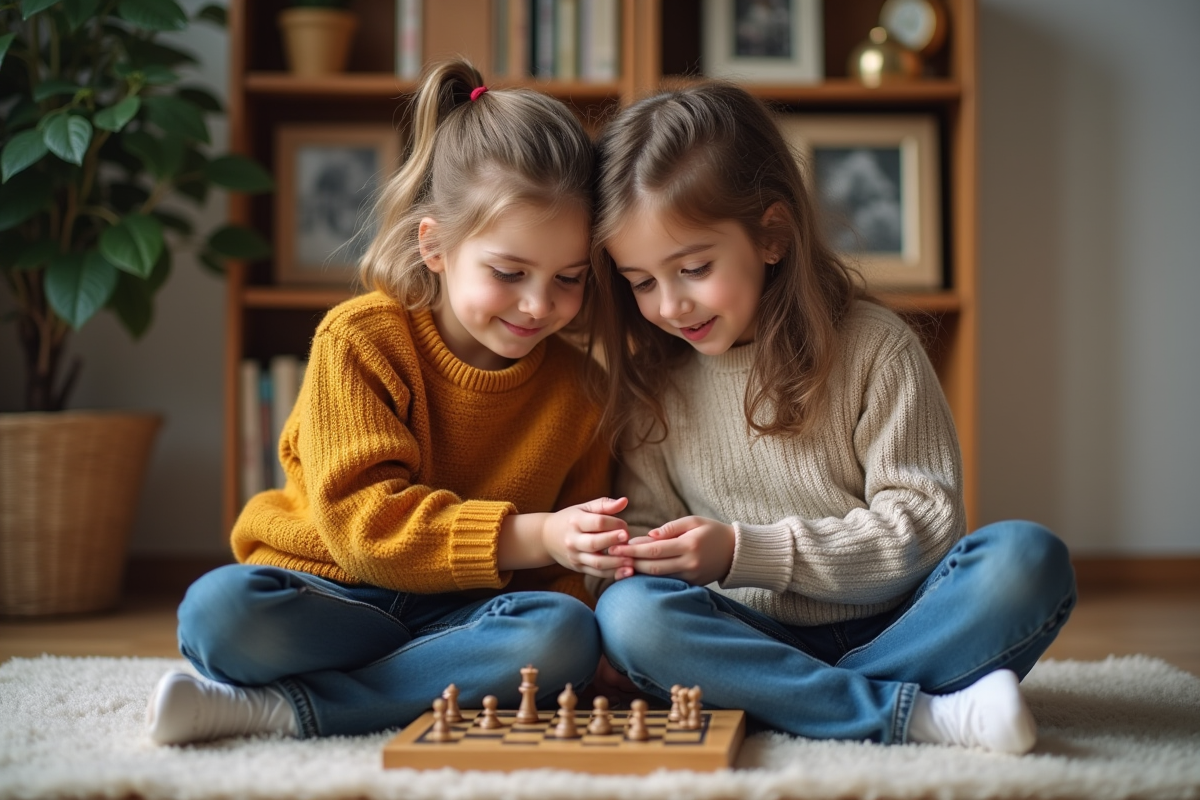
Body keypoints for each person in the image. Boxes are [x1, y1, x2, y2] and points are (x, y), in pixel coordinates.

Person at [145, 60, 631, 745]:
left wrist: (574, 593)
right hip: (336, 592)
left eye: (569, 278)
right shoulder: (361, 338)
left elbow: (563, 579)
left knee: (564, 635)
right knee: (218, 613)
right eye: (509, 272)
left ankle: (286, 708)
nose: (537, 304)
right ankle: (422, 680)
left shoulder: (582, 389)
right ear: (434, 245)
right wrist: (540, 531)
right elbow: (365, 529)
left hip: (464, 619)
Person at [587, 82, 1077, 754]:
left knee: (1026, 560)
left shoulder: (875, 348)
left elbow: (925, 526)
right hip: (753, 631)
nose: (670, 305)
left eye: (694, 268)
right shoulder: (656, 385)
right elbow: (643, 536)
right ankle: (921, 713)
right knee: (631, 616)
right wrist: (632, 558)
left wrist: (740, 550)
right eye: (641, 282)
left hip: (902, 621)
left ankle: (794, 698)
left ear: (772, 235)